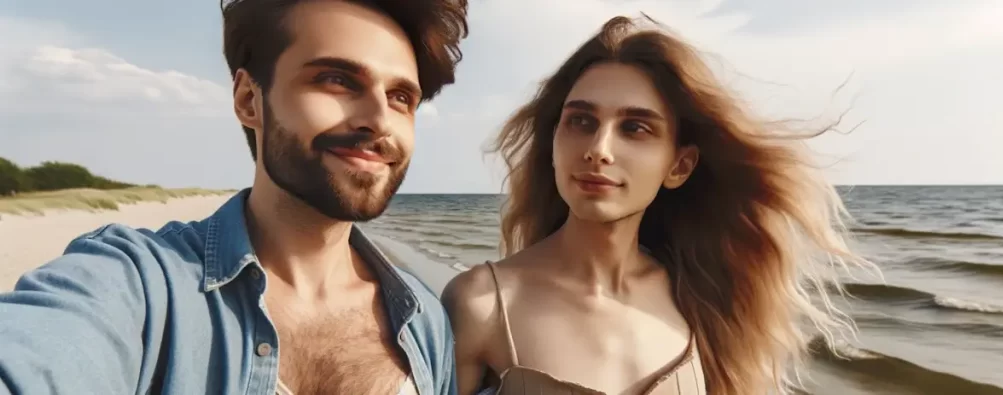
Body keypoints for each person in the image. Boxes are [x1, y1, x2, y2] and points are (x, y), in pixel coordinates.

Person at [0, 0, 468, 394]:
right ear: (248, 99)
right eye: (338, 80)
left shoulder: (424, 321)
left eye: (401, 98)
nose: (379, 120)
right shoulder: (138, 284)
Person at [442, 15, 871, 395]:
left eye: (635, 128)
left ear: (679, 166)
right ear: (554, 141)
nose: (599, 148)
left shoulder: (704, 301)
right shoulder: (482, 304)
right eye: (581, 121)